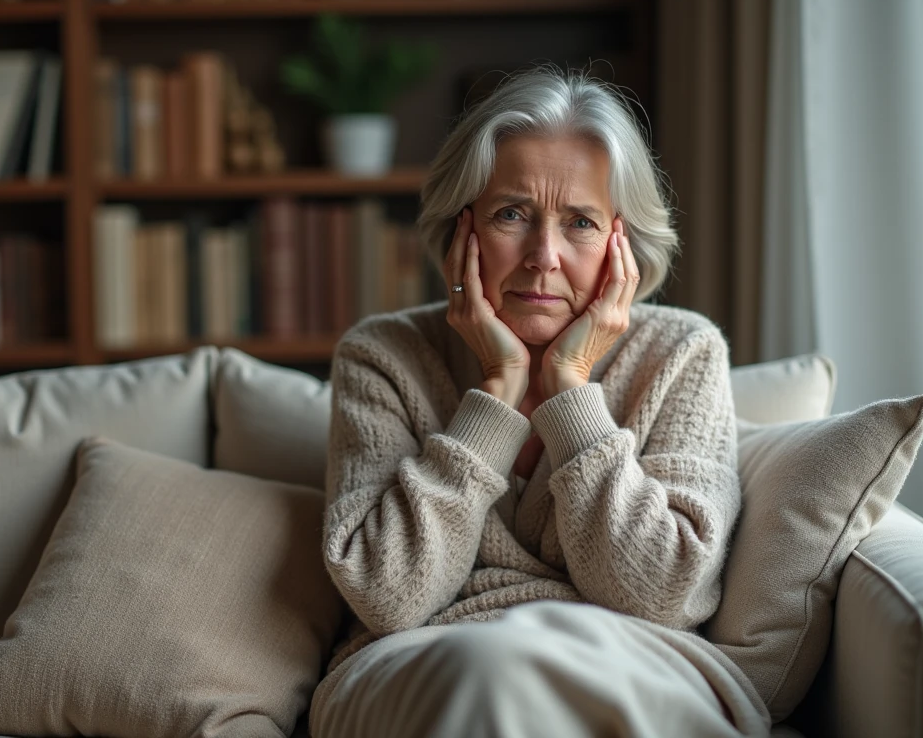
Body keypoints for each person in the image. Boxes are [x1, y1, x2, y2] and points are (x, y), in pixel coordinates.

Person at [309, 68, 769, 738]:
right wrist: (497, 389)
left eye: (580, 222)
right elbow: (387, 594)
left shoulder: (681, 353)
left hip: (628, 655)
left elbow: (665, 594)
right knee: (491, 672)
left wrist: (572, 388)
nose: (543, 256)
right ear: (459, 229)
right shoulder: (383, 355)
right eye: (512, 214)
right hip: (423, 660)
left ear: (623, 243)